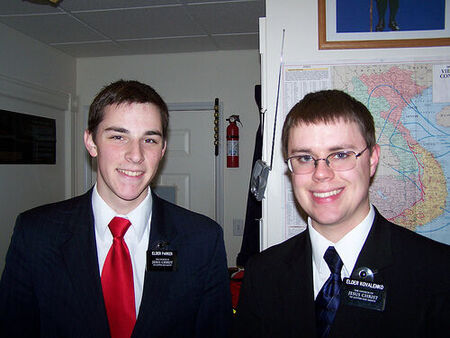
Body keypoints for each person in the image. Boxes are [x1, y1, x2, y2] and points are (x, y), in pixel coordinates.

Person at [0, 79, 232, 338]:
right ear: (91, 142)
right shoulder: (36, 234)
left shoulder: (202, 240)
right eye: (118, 137)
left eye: (150, 140)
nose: (136, 155)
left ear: (163, 148)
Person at [233, 90, 450, 337]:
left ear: (372, 160)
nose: (321, 173)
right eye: (305, 157)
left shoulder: (437, 273)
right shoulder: (263, 273)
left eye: (340, 155)